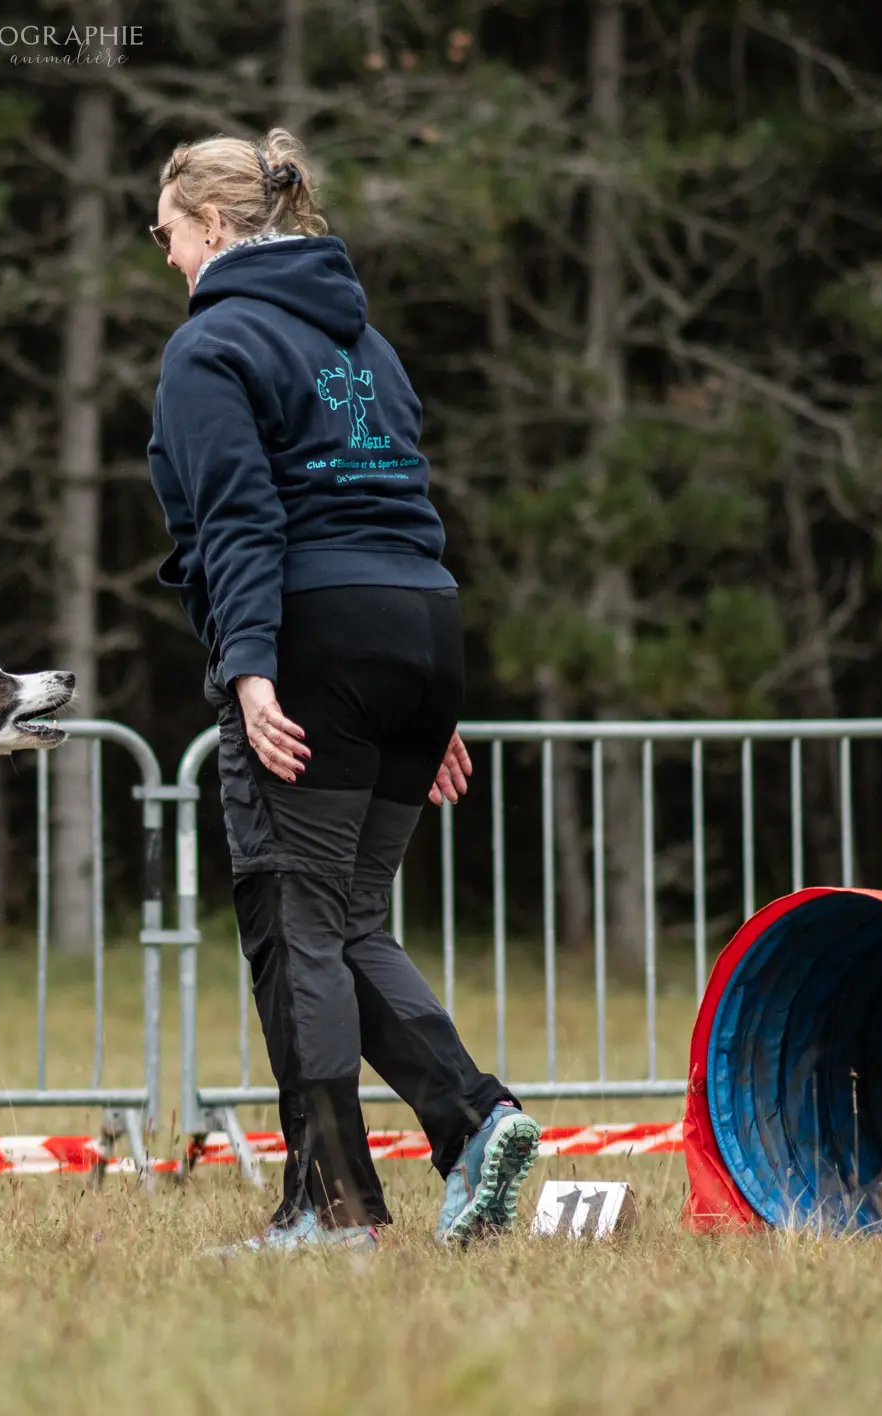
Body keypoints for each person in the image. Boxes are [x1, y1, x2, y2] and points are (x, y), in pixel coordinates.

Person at [146, 127, 541, 1253]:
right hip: (419, 627)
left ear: (214, 229)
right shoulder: (365, 343)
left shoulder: (210, 345)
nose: (167, 258)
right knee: (345, 918)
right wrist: (433, 694)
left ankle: (333, 1208)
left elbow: (239, 520)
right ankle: (471, 1122)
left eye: (169, 235)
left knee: (291, 921)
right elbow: (403, 503)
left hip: (312, 638)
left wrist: (249, 664)